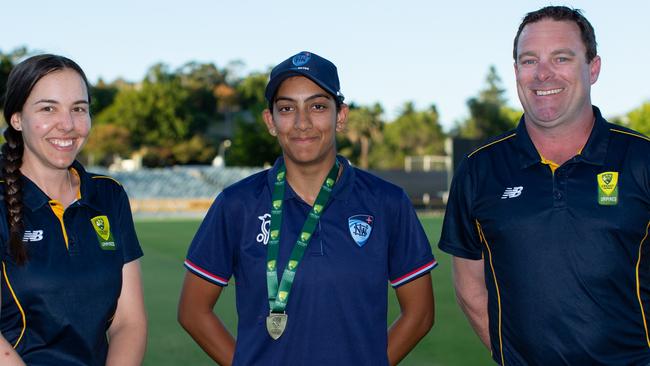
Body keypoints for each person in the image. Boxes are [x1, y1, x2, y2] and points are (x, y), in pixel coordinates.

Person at [178, 51, 436, 365]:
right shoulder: (236, 204)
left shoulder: (387, 202)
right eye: (287, 108)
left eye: (317, 106)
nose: (302, 123)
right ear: (270, 121)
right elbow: (193, 311)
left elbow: (420, 314)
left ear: (340, 116)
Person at [439, 5, 650, 365]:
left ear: (593, 68)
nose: (542, 74)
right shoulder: (479, 170)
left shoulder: (641, 159)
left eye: (561, 58)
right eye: (529, 60)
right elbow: (470, 286)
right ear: (516, 70)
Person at [0, 54, 147, 365]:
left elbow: (128, 322)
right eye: (48, 108)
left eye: (79, 109)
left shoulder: (110, 195)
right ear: (16, 118)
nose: (67, 125)